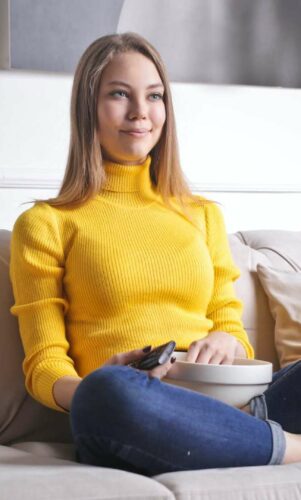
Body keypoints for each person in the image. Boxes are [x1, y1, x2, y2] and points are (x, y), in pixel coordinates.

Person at [9, 32, 301, 476]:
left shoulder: (202, 216)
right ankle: (282, 447)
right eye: (119, 94)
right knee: (107, 392)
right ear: (89, 106)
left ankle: (238, 436)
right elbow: (44, 365)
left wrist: (227, 341)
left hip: (229, 403)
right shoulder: (46, 223)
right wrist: (90, 386)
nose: (140, 113)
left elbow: (231, 332)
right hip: (131, 412)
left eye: (155, 96)